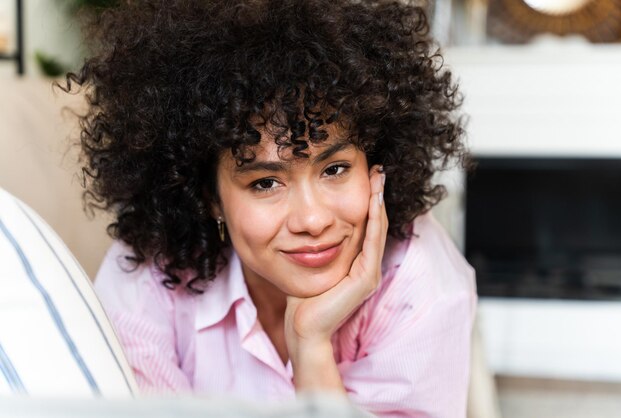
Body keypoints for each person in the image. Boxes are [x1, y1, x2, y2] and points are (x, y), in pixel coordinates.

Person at [62, 0, 476, 416]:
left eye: (334, 169)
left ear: (375, 165)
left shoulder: (420, 279)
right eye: (265, 183)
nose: (313, 220)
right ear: (208, 196)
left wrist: (310, 346)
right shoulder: (147, 276)